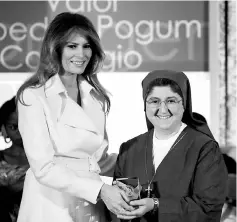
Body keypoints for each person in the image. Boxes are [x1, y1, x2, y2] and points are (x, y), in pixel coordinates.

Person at [16, 12, 133, 222]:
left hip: (90, 204)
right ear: (55, 48)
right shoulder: (33, 96)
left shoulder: (96, 97)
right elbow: (43, 168)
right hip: (49, 205)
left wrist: (143, 160)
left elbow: (97, 160)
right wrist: (101, 190)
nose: (81, 54)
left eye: (86, 46)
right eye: (72, 46)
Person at [113, 70, 228, 221]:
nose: (162, 109)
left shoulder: (205, 148)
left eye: (171, 101)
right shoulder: (129, 149)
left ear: (184, 104)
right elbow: (117, 206)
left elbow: (208, 208)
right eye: (154, 101)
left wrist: (156, 205)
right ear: (144, 105)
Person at [0, 97, 29, 222]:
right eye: (13, 127)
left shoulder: (48, 157)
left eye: (25, 125)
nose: (20, 132)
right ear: (3, 128)